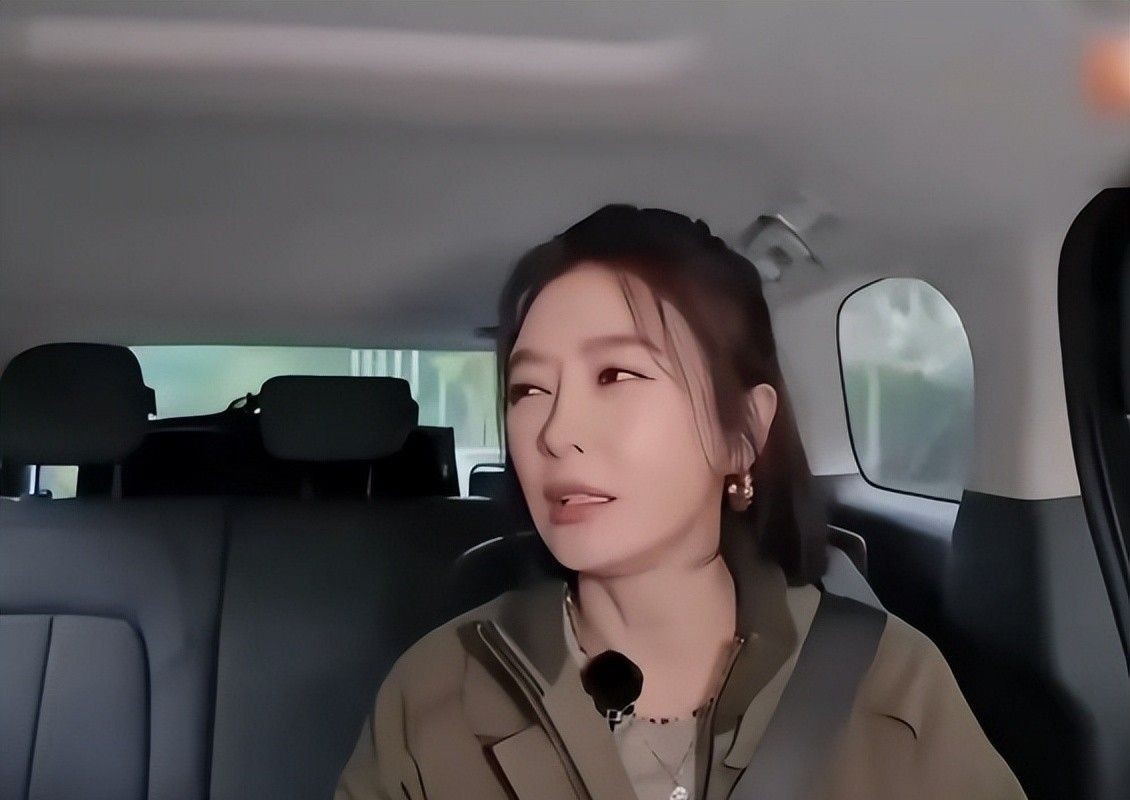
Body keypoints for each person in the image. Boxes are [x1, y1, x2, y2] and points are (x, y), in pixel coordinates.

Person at [334, 205, 1027, 800]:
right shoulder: (434, 695)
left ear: (742, 431)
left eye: (616, 374)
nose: (555, 432)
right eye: (528, 389)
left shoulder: (890, 681)